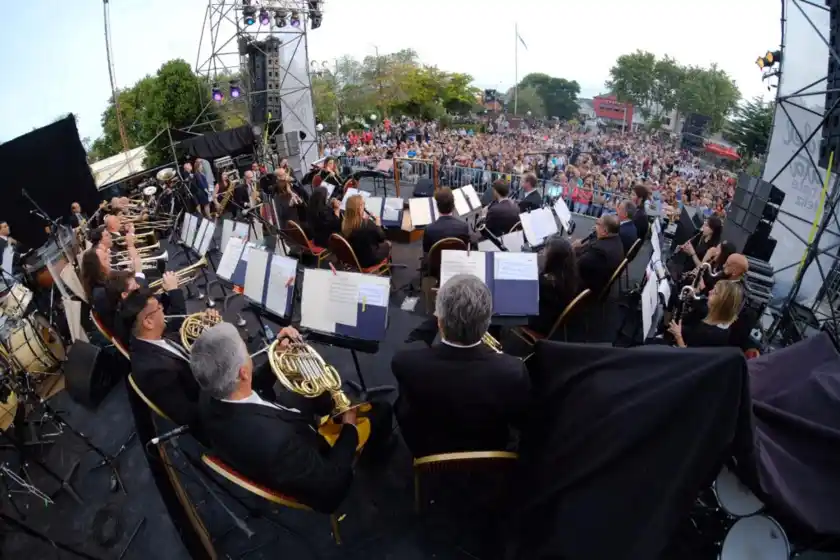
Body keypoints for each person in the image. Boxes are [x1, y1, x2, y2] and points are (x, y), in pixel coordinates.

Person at [190, 323, 366, 513]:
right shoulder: (279, 444)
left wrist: (278, 353)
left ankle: (329, 408)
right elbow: (332, 486)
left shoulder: (209, 391)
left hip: (265, 427)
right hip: (310, 458)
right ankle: (380, 447)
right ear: (243, 372)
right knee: (380, 412)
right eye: (246, 351)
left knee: (311, 396)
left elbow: (251, 383)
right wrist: (349, 426)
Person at [391, 274, 531, 457]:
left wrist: (441, 313)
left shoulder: (406, 363)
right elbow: (520, 419)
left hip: (427, 451)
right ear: (487, 323)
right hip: (491, 451)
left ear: (440, 322)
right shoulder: (512, 370)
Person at [120, 289, 220, 430]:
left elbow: (180, 343)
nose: (163, 310)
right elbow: (190, 416)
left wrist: (207, 326)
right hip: (215, 412)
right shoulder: (152, 371)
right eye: (159, 308)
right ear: (148, 322)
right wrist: (211, 368)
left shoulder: (151, 339)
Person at [668, 280, 743, 348]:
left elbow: (689, 357)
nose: (710, 291)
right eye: (713, 288)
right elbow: (695, 332)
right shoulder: (719, 320)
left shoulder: (711, 334)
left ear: (722, 303)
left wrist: (678, 336)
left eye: (715, 292)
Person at [530, 236, 580, 335]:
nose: (543, 252)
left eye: (545, 251)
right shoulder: (569, 272)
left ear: (553, 259)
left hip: (540, 322)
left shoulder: (546, 283)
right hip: (553, 314)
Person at [573, 214, 625, 295]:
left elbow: (577, 265)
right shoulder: (617, 240)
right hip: (599, 277)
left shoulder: (599, 252)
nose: (595, 225)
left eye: (598, 223)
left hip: (587, 287)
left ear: (605, 231)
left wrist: (570, 250)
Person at [342, 195, 391, 269]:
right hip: (368, 260)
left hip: (354, 258)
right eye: (363, 205)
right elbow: (382, 238)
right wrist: (378, 225)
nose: (364, 207)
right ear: (359, 209)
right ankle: (387, 269)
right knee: (388, 243)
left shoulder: (345, 223)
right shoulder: (367, 224)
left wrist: (365, 221)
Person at [422, 187, 471, 255]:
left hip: (436, 265)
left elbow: (426, 254)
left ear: (437, 206)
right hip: (457, 264)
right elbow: (466, 252)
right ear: (453, 205)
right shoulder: (464, 227)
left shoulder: (429, 229)